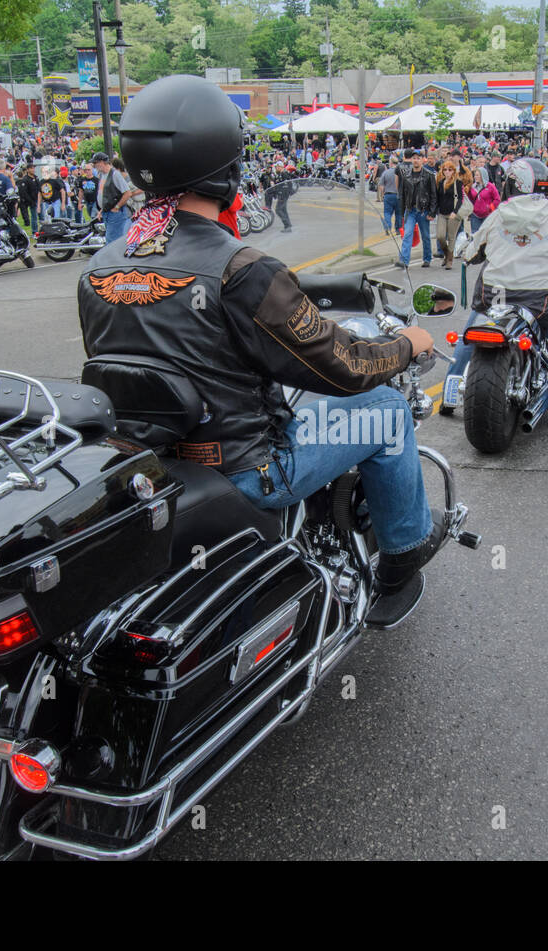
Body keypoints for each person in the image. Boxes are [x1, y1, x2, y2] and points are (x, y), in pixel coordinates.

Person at [78, 74, 444, 624]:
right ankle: (402, 558)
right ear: (224, 164)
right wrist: (406, 343)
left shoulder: (99, 267)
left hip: (150, 460)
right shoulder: (240, 270)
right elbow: (344, 367)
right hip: (249, 468)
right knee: (387, 412)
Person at [441, 158, 548, 424]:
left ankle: (447, 398)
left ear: (510, 185)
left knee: (467, 338)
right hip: (539, 303)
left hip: (494, 298)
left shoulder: (497, 217)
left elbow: (470, 254)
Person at [395, 149, 437, 269]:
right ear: (411, 160)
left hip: (424, 210)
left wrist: (432, 212)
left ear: (422, 160)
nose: (416, 160)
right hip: (410, 210)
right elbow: (402, 194)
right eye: (414, 158)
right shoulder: (406, 175)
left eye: (418, 158)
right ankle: (404, 261)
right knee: (407, 234)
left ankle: (427, 258)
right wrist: (402, 212)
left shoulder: (429, 175)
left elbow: (433, 194)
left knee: (425, 235)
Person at [93, 151, 134, 244]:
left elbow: (127, 193)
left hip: (115, 213)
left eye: (95, 163)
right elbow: (104, 195)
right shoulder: (102, 175)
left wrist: (117, 207)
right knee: (111, 239)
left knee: (112, 240)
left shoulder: (115, 174)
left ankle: (114, 258)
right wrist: (101, 210)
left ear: (102, 162)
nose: (94, 165)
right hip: (107, 212)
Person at [434, 159, 464, 270]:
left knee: (451, 237)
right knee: (440, 236)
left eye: (449, 170)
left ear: (453, 171)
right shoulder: (441, 182)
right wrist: (434, 211)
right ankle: (447, 255)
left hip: (453, 214)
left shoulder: (458, 182)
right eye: (445, 170)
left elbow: (461, 199)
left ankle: (449, 261)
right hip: (442, 213)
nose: (447, 172)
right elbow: (437, 198)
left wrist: (455, 212)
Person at [377, 156, 401, 233]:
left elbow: (381, 185)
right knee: (398, 214)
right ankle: (398, 229)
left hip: (388, 195)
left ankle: (388, 227)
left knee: (387, 212)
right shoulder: (400, 172)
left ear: (391, 163)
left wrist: (383, 193)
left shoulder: (386, 172)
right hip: (398, 195)